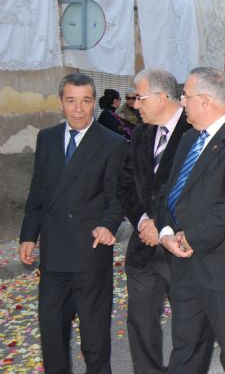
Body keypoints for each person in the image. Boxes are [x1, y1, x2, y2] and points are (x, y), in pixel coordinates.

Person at [157, 67, 225, 373]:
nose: (182, 103)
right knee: (186, 350)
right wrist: (166, 231)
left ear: (204, 101)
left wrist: (188, 238)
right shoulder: (188, 138)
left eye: (186, 97)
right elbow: (169, 193)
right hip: (185, 266)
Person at [19, 73, 127, 373]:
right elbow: (38, 191)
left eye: (86, 101)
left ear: (94, 103)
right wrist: (29, 234)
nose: (79, 109)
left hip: (89, 256)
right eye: (71, 101)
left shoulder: (112, 143)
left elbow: (117, 197)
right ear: (60, 103)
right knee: (52, 337)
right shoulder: (47, 138)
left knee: (94, 342)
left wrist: (108, 225)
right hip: (53, 258)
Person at [118, 68, 191, 374]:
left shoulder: (195, 131)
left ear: (162, 98)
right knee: (141, 324)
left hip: (181, 248)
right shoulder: (141, 134)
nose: (135, 105)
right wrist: (142, 221)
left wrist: (161, 227)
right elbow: (125, 183)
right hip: (144, 250)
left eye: (140, 97)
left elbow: (195, 192)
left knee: (189, 328)